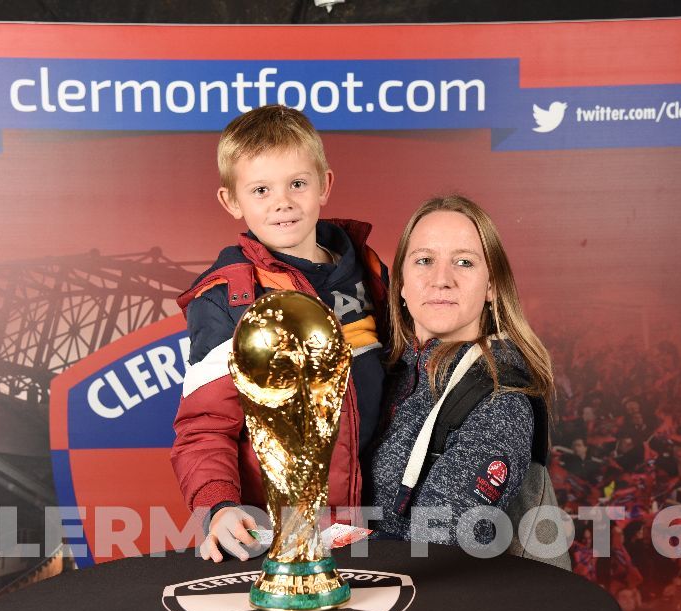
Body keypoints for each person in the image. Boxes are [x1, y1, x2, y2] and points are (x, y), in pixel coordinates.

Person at [171, 105, 390, 563]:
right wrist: (219, 507)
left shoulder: (367, 271)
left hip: (369, 520)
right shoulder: (227, 299)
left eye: (297, 183)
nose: (282, 202)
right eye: (261, 189)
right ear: (232, 201)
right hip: (272, 528)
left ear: (324, 185)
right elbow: (205, 425)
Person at [368, 195, 561, 559]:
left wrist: (322, 542)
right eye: (424, 261)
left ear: (491, 286)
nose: (442, 280)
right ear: (402, 286)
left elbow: (438, 543)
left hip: (427, 607)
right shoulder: (374, 373)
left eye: (464, 262)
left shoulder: (500, 398)